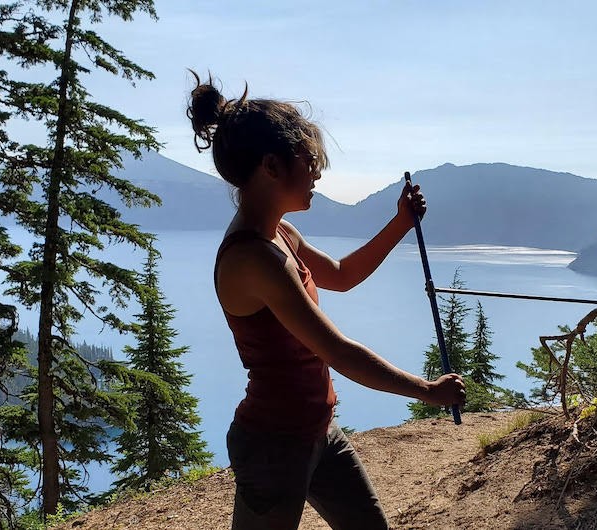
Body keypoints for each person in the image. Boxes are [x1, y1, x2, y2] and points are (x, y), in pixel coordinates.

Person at [187, 72, 466, 530]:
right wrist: (426, 391)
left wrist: (400, 223)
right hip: (273, 445)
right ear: (271, 167)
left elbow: (341, 275)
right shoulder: (253, 258)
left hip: (317, 430)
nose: (317, 172)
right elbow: (336, 351)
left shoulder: (280, 233)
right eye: (307, 160)